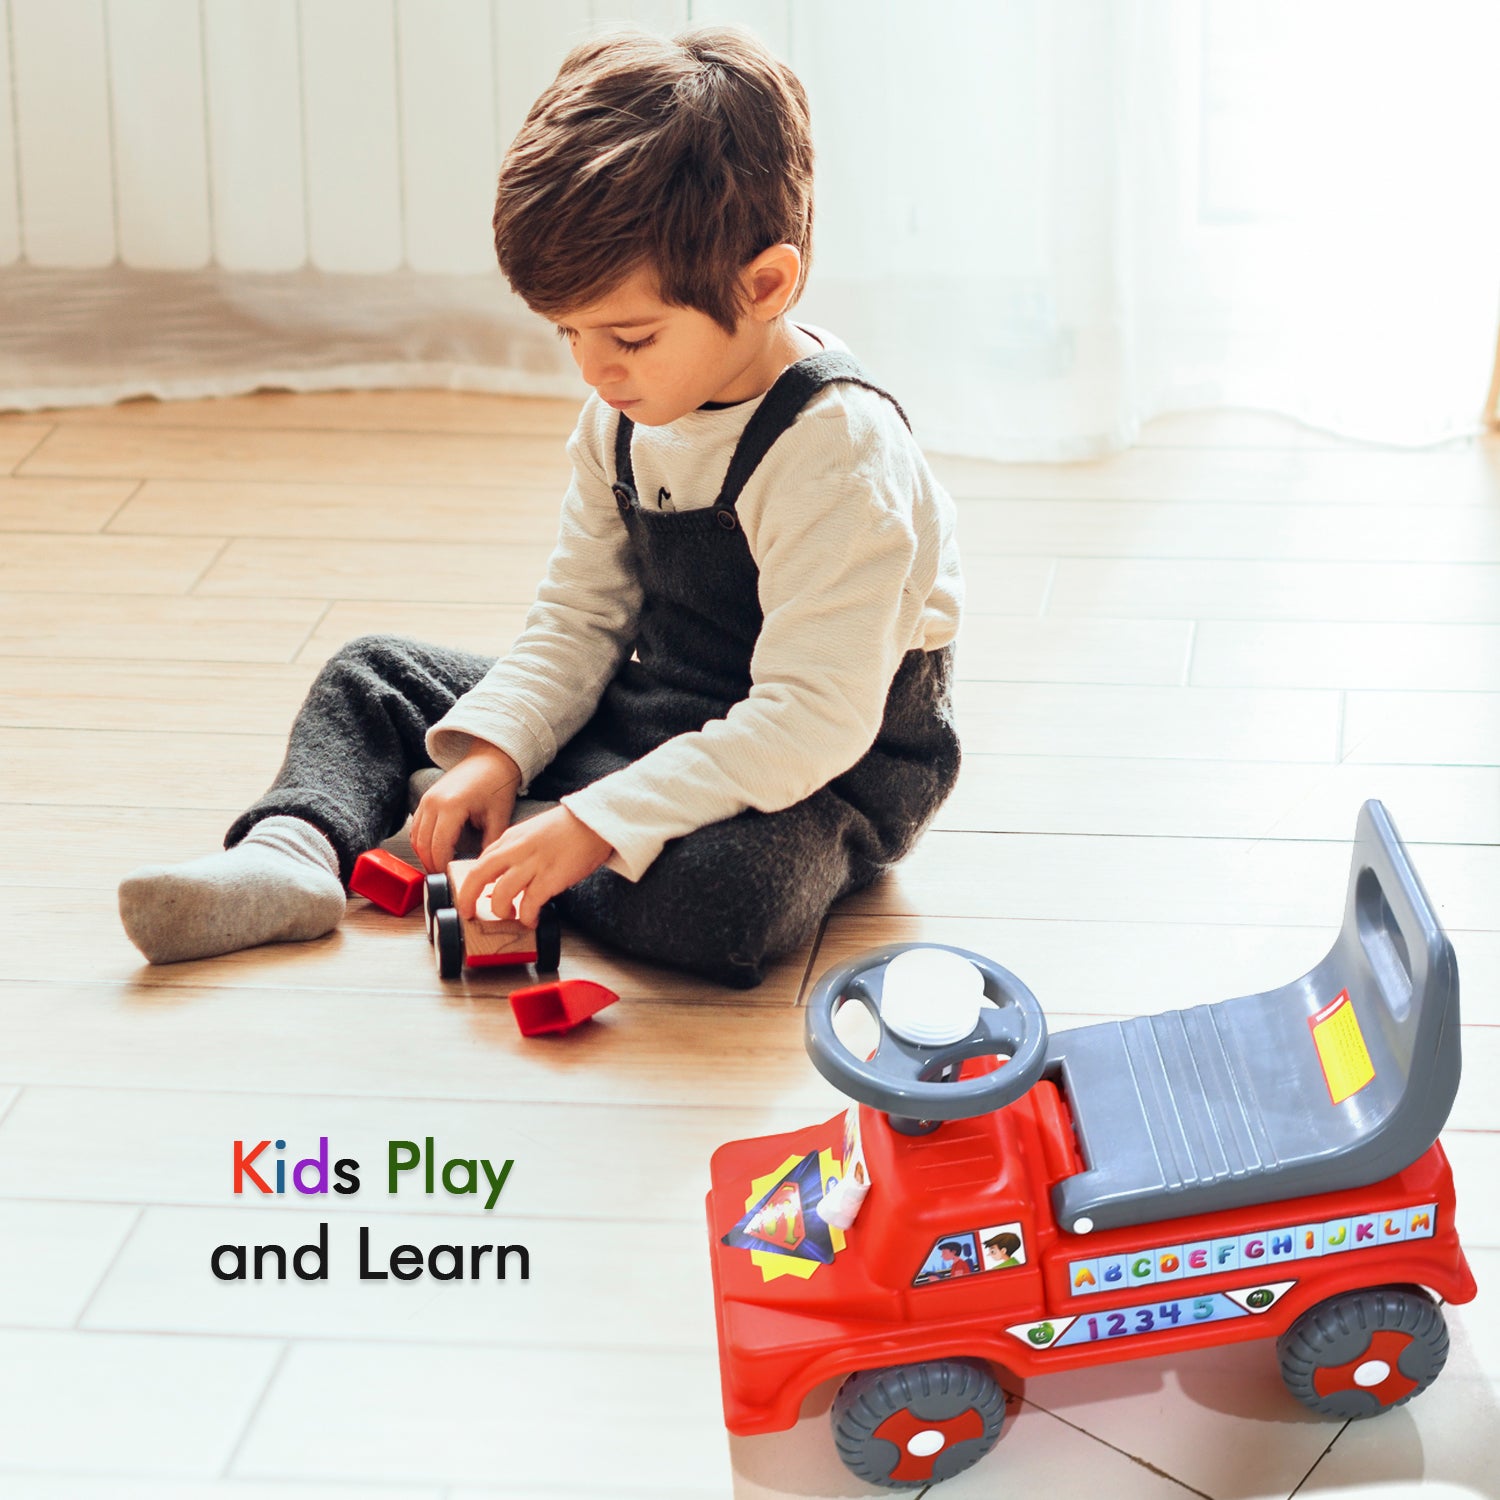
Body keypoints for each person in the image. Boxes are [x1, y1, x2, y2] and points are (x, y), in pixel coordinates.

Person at [118, 25, 963, 989]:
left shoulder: (839, 458)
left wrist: (589, 823)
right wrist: (496, 750)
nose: (596, 370)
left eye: (630, 337)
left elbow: (814, 716)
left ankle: (522, 840)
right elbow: (578, 620)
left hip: (824, 760)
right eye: (568, 333)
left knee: (728, 899)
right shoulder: (620, 415)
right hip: (658, 706)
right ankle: (294, 854)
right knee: (371, 677)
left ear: (765, 285)